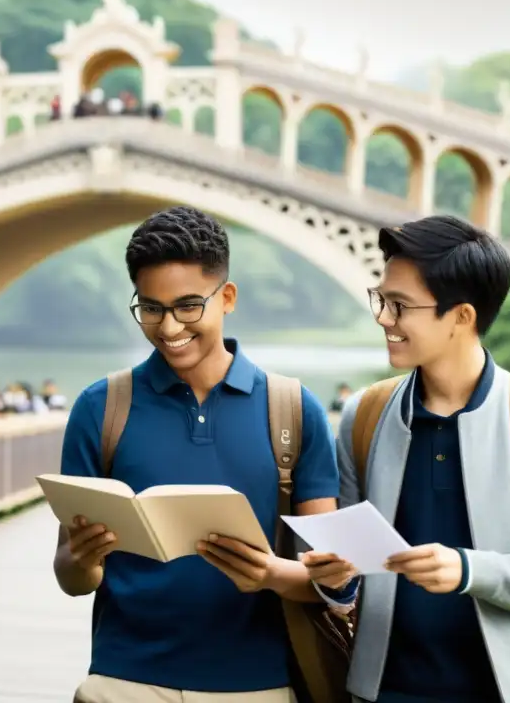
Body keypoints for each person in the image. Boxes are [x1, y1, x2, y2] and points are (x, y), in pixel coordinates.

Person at [304, 215, 510, 702]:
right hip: (381, 691)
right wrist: (336, 580)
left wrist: (470, 570)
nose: (383, 318)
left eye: (400, 306)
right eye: (382, 299)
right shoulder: (364, 414)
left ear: (462, 316)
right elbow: (349, 572)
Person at [54, 205, 346, 702]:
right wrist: (82, 560)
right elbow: (72, 578)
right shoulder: (100, 408)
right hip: (123, 680)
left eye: (188, 306)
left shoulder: (294, 411)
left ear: (226, 297)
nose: (169, 328)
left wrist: (271, 573)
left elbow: (332, 582)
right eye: (151, 308)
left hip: (258, 684)